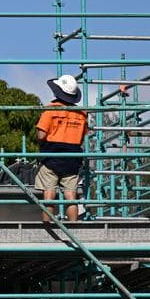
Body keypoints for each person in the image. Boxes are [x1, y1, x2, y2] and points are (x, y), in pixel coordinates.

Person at [34, 74, 87, 222]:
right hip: (72, 156)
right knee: (71, 195)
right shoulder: (82, 114)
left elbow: (41, 135)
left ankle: (48, 227)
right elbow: (82, 137)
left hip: (51, 154)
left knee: (49, 194)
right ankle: (73, 227)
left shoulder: (50, 110)